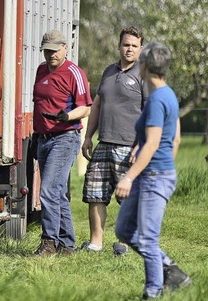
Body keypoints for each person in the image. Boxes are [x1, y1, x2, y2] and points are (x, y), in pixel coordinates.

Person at [115, 41, 191, 299]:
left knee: (147, 239)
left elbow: (155, 142)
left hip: (153, 177)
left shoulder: (158, 99)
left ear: (144, 67)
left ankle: (153, 292)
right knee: (124, 230)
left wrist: (129, 176)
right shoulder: (168, 94)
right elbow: (176, 139)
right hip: (154, 173)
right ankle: (171, 270)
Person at [80, 27, 146, 255]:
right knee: (95, 194)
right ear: (119, 46)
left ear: (140, 49)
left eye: (134, 46)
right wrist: (88, 136)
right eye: (126, 44)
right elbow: (97, 104)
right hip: (103, 142)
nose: (129, 49)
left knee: (127, 197)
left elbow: (150, 112)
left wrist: (142, 145)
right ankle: (95, 243)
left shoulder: (144, 74)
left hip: (129, 146)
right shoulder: (108, 72)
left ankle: (124, 244)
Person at [32, 29, 92, 256]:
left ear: (65, 48)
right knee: (57, 192)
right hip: (44, 139)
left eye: (55, 51)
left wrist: (66, 116)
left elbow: (86, 107)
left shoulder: (74, 72)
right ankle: (67, 244)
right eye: (47, 51)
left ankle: (49, 242)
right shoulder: (41, 70)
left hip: (65, 138)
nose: (51, 55)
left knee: (47, 190)